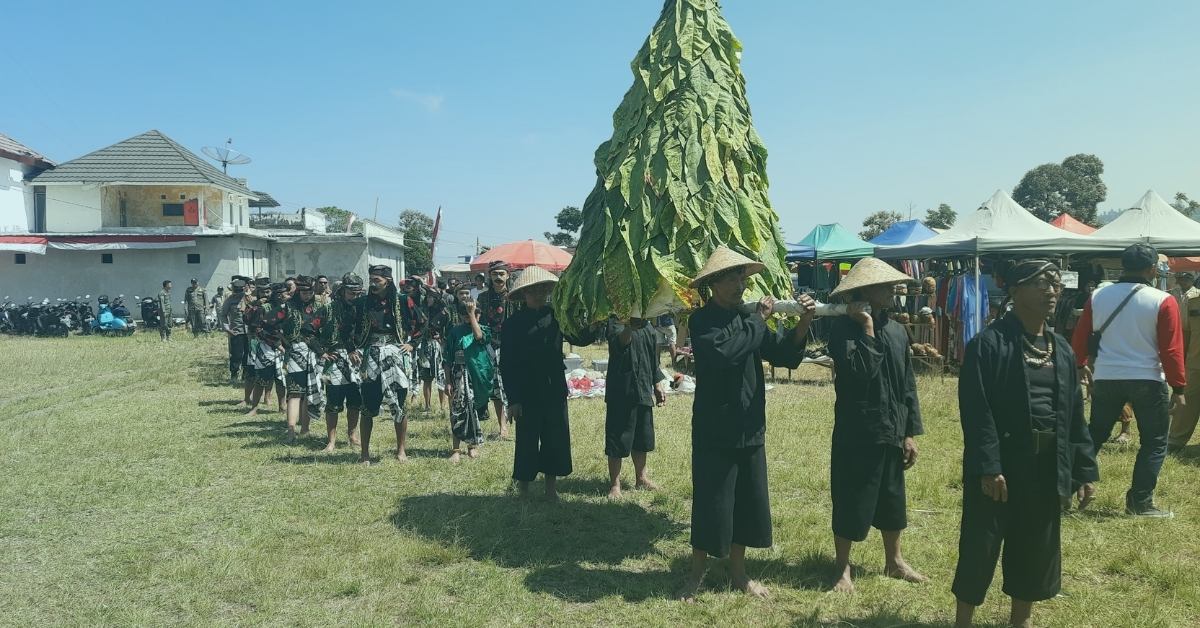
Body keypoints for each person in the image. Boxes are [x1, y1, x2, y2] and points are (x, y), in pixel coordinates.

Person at [953, 260, 1099, 628]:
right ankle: (963, 621)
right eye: (1041, 284)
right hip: (1002, 464)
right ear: (1015, 291)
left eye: (1054, 284)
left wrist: (1083, 470)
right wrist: (988, 465)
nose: (1052, 291)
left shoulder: (1061, 350)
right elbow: (977, 411)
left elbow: (1073, 417)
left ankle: (1021, 621)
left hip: (1046, 465)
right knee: (981, 544)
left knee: (1035, 545)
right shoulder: (988, 345)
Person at [678, 246, 815, 601]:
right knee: (711, 501)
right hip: (715, 426)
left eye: (742, 276)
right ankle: (696, 575)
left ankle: (739, 574)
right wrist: (759, 320)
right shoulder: (703, 320)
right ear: (713, 284)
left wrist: (803, 324)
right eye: (731, 276)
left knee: (745, 501)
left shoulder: (746, 317)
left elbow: (781, 353)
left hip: (750, 424)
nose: (740, 283)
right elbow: (726, 353)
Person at [825, 258, 926, 593]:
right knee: (851, 496)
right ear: (864, 291)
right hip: (857, 429)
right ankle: (843, 568)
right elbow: (860, 372)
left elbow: (906, 385)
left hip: (892, 427)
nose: (892, 290)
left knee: (892, 497)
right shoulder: (842, 331)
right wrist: (866, 326)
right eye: (884, 286)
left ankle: (894, 561)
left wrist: (909, 432)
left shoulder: (898, 331)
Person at [1071, 243, 1185, 518]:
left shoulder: (1098, 296)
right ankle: (1140, 503)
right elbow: (1171, 349)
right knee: (1154, 442)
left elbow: (1081, 335)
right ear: (1151, 269)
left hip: (1107, 376)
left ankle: (1064, 490)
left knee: (1094, 436)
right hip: (1147, 378)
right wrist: (1178, 386)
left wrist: (1079, 364)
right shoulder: (1162, 300)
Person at [500, 265, 597, 500]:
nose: (539, 293)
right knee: (527, 439)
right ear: (524, 294)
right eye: (533, 290)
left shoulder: (557, 316)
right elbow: (507, 364)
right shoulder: (513, 324)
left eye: (542, 289)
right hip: (526, 390)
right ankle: (523, 488)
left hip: (553, 387)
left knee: (555, 437)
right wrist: (513, 399)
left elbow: (578, 337)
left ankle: (550, 489)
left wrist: (594, 322)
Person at [351, 265, 414, 464]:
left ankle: (401, 450)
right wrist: (351, 348)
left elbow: (421, 322)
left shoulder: (403, 300)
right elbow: (347, 326)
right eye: (371, 280)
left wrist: (412, 343)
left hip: (396, 353)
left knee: (400, 402)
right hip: (371, 354)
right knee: (368, 404)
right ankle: (365, 453)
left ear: (387, 280)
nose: (373, 284)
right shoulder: (362, 302)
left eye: (377, 280)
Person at [604, 316, 667, 499]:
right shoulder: (615, 321)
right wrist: (629, 327)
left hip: (644, 388)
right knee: (618, 437)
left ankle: (641, 478)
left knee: (642, 437)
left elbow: (652, 358)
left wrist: (657, 384)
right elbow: (619, 344)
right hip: (622, 390)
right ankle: (615, 485)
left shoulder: (648, 326)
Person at [445, 286, 493, 461]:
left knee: (472, 409)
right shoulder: (454, 332)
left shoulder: (484, 329)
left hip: (476, 375)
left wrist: (473, 314)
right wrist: (448, 381)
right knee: (457, 410)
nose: (469, 317)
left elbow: (479, 337)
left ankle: (472, 445)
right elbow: (447, 359)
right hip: (459, 374)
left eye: (474, 313)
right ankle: (456, 449)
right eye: (465, 314)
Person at [318, 273, 364, 451]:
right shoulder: (328, 309)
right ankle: (331, 441)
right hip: (335, 358)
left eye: (358, 293)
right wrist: (321, 351)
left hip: (357, 359)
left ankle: (353, 435)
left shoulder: (363, 309)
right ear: (343, 291)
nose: (355, 297)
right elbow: (309, 329)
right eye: (351, 293)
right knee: (333, 401)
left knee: (355, 400)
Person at [281, 276, 330, 443]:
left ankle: (305, 428)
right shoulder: (288, 306)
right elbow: (271, 325)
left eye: (310, 291)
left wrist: (322, 349)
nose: (307, 295)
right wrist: (282, 343)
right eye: (303, 292)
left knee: (310, 392)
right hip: (294, 352)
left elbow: (325, 329)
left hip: (314, 353)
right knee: (294, 392)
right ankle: (291, 429)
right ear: (298, 291)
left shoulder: (321, 306)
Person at [478, 261, 521, 438]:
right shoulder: (482, 298)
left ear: (508, 276)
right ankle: (502, 425)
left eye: (501, 274)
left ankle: (517, 422)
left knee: (512, 384)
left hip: (511, 346)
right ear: (490, 276)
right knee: (495, 388)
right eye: (495, 274)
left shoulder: (515, 297)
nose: (498, 277)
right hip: (489, 345)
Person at [1169, 272, 1200, 451]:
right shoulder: (1193, 302)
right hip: (1194, 362)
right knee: (1186, 402)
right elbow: (1185, 333)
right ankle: (1175, 440)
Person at [418, 289, 451, 414]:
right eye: (427, 297)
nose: (428, 299)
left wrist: (443, 340)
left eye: (431, 297)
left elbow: (448, 329)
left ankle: (442, 406)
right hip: (425, 346)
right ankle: (427, 406)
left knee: (441, 376)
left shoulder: (444, 313)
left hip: (439, 346)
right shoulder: (423, 311)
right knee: (426, 378)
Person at [220, 279, 252, 392]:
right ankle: (234, 375)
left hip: (249, 332)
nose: (238, 292)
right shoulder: (230, 300)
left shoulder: (249, 299)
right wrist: (227, 329)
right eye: (236, 290)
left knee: (248, 355)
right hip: (236, 331)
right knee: (236, 355)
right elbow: (223, 315)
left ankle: (245, 375)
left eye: (240, 290)